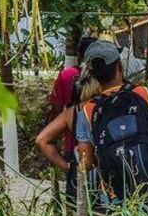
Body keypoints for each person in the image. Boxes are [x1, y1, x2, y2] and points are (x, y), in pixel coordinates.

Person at [74, 40, 148, 206]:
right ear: (119, 66)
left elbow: (87, 162)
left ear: (92, 74)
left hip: (115, 198)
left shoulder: (87, 112)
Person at [36, 66, 101, 202]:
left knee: (77, 214)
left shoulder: (73, 112)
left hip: (80, 169)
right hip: (106, 172)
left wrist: (66, 166)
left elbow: (42, 139)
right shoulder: (108, 106)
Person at [43, 35, 97, 199]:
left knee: (76, 198)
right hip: (100, 145)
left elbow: (57, 109)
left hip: (74, 144)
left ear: (79, 56)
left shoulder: (67, 76)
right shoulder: (104, 78)